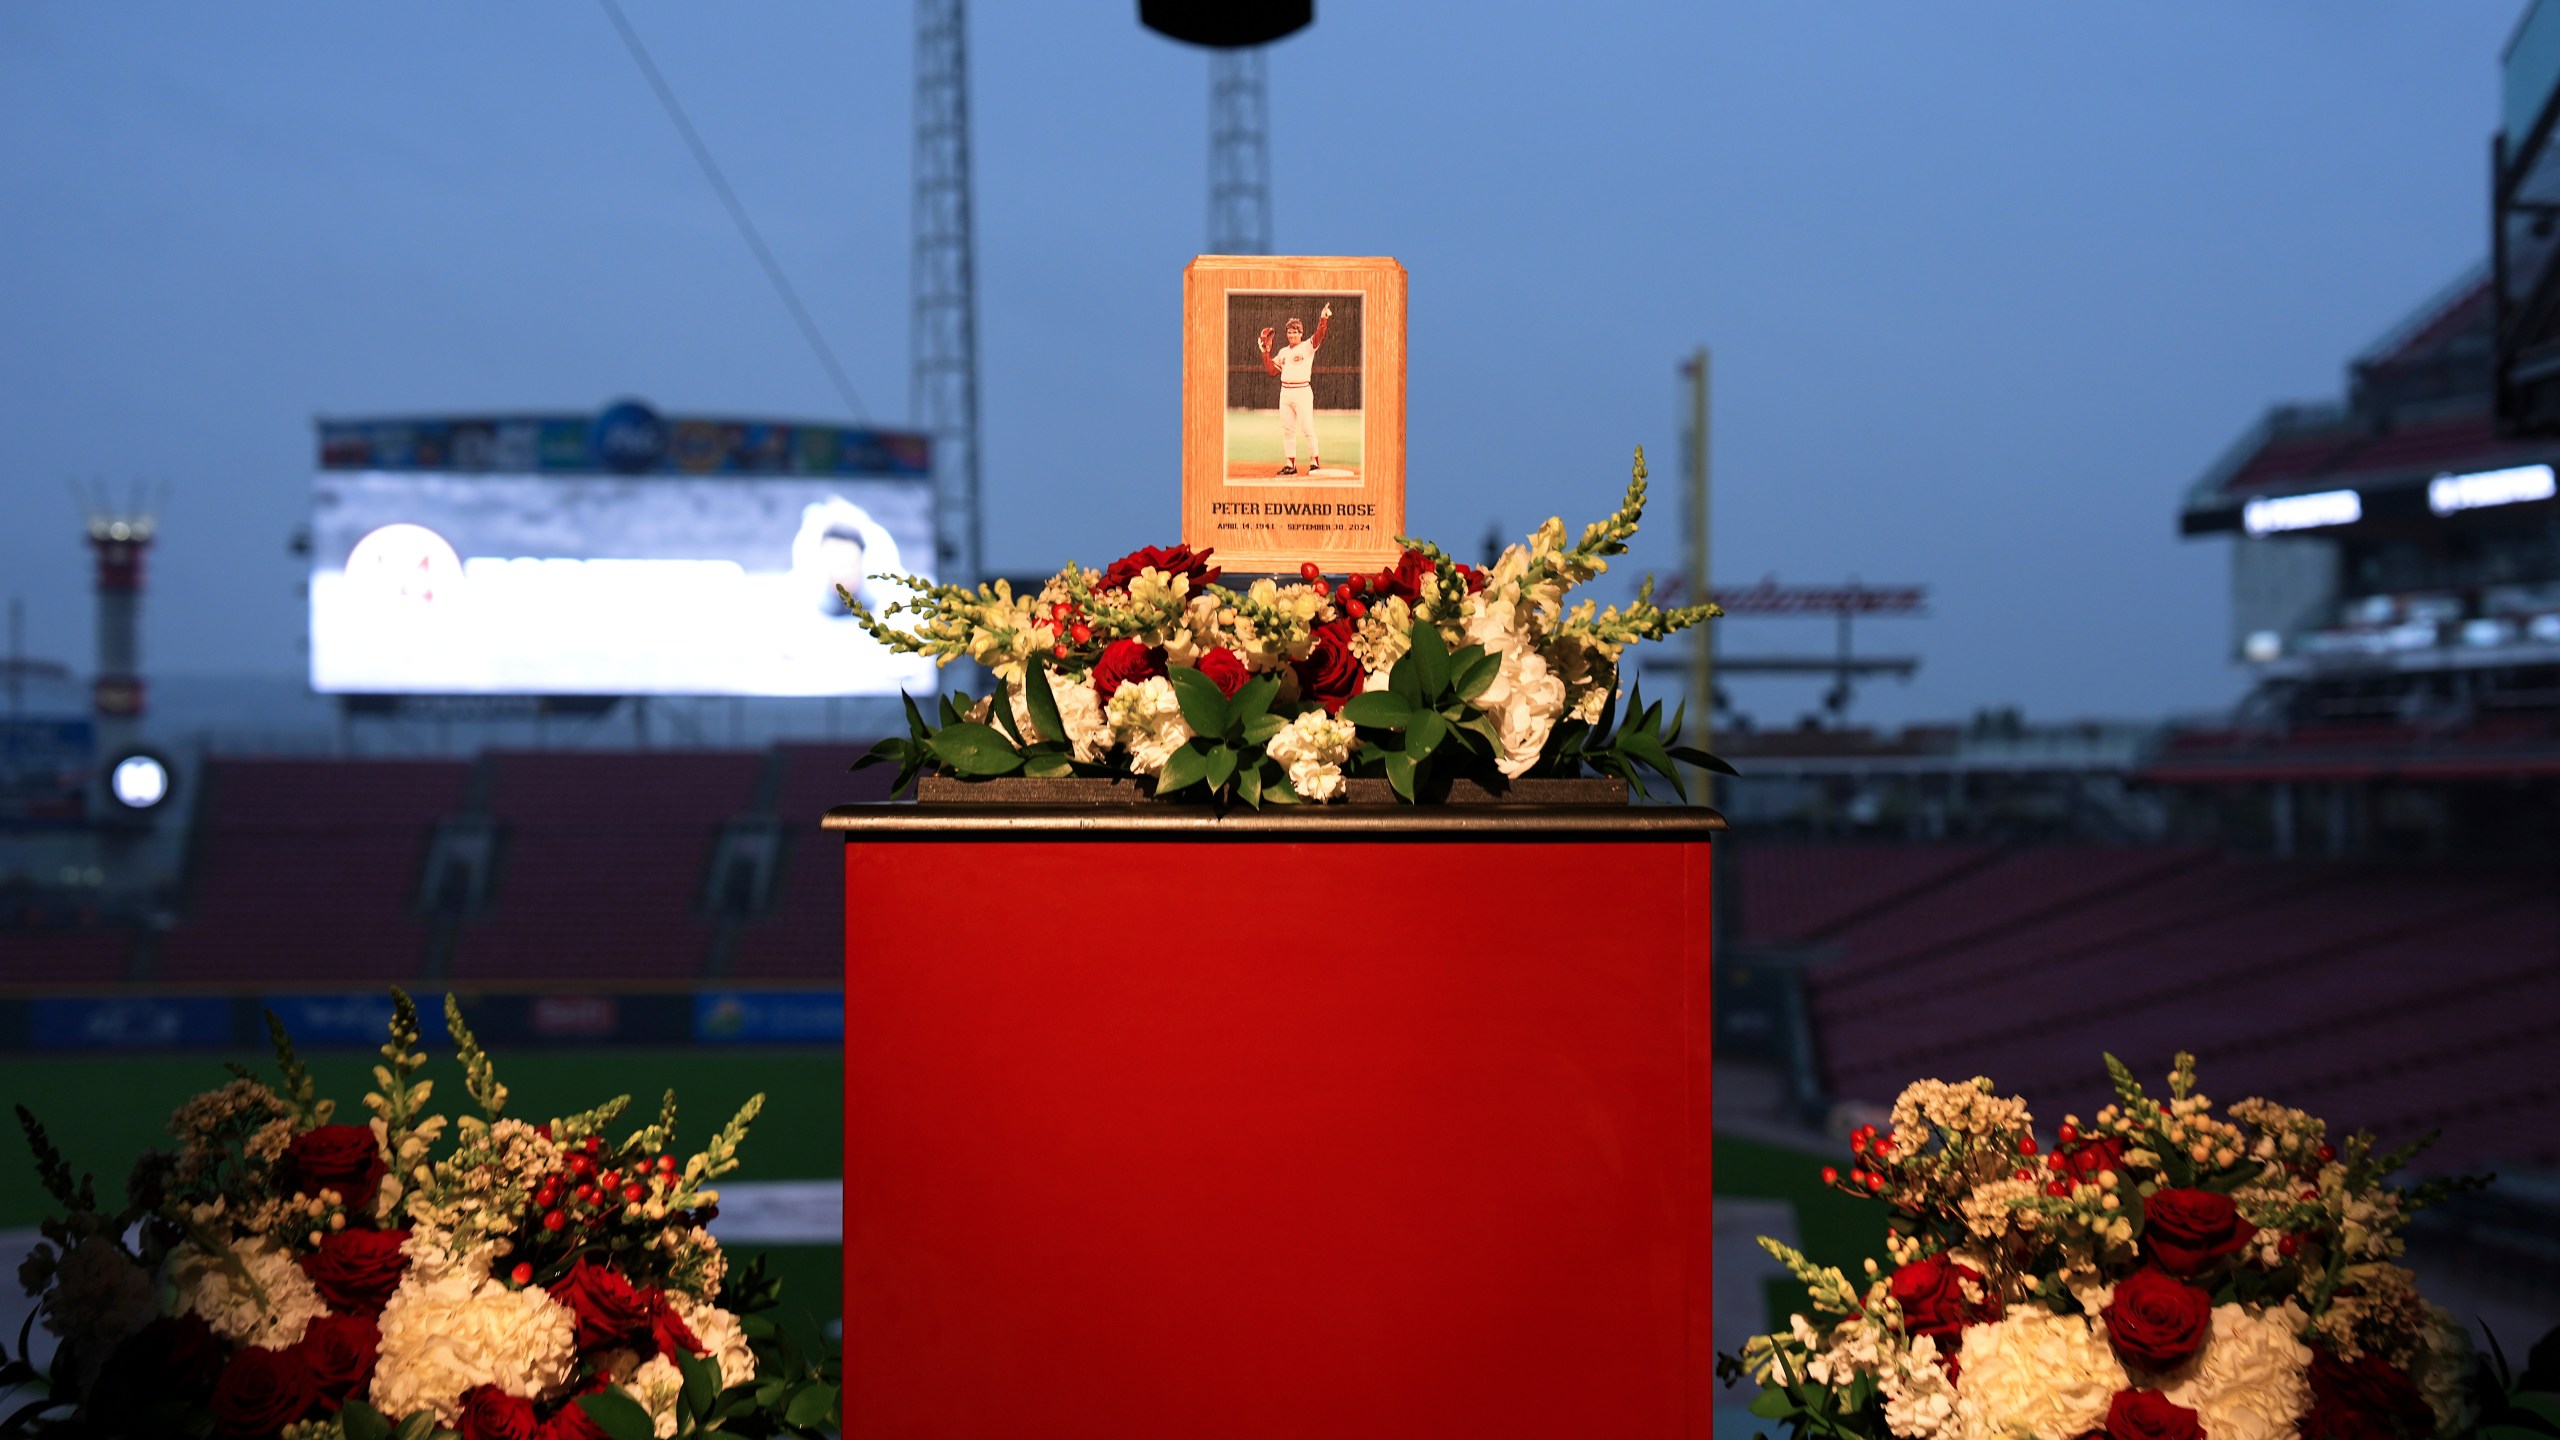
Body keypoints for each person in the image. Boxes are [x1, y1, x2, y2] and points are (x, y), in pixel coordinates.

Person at [1256, 301, 1331, 476]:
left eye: (1295, 332)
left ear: (1301, 333)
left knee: (1307, 428)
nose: (1292, 335)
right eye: (1289, 332)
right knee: (1287, 429)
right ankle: (1290, 464)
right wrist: (1265, 352)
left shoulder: (1307, 346)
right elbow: (1271, 370)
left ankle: (1314, 462)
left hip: (1302, 391)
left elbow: (1319, 335)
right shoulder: (1283, 352)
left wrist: (1323, 319)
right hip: (1285, 393)